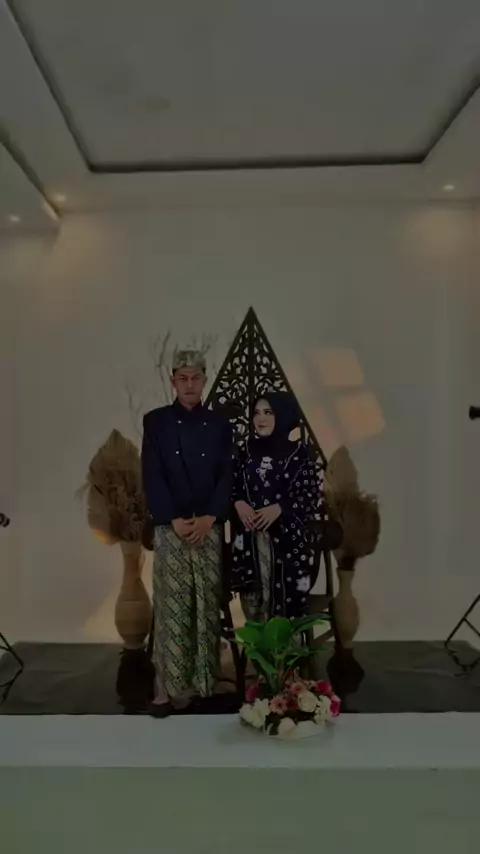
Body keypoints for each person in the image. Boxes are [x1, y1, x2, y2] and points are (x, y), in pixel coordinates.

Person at [141, 349, 233, 717]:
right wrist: (173, 519)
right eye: (183, 378)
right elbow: (152, 473)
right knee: (172, 608)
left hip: (208, 528)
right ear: (173, 382)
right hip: (171, 529)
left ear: (204, 380)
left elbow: (227, 474)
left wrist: (211, 517)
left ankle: (204, 685)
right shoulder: (156, 422)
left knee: (206, 607)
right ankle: (166, 690)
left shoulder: (220, 425)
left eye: (196, 378)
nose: (189, 384)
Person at [231, 392, 321, 622]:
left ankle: (285, 645)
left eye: (268, 412)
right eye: (256, 413)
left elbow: (309, 494)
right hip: (251, 541)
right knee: (253, 604)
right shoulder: (246, 450)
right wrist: (238, 502)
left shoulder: (299, 454)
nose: (260, 418)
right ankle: (258, 644)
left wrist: (280, 508)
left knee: (286, 609)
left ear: (282, 415)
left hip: (286, 541)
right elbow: (232, 484)